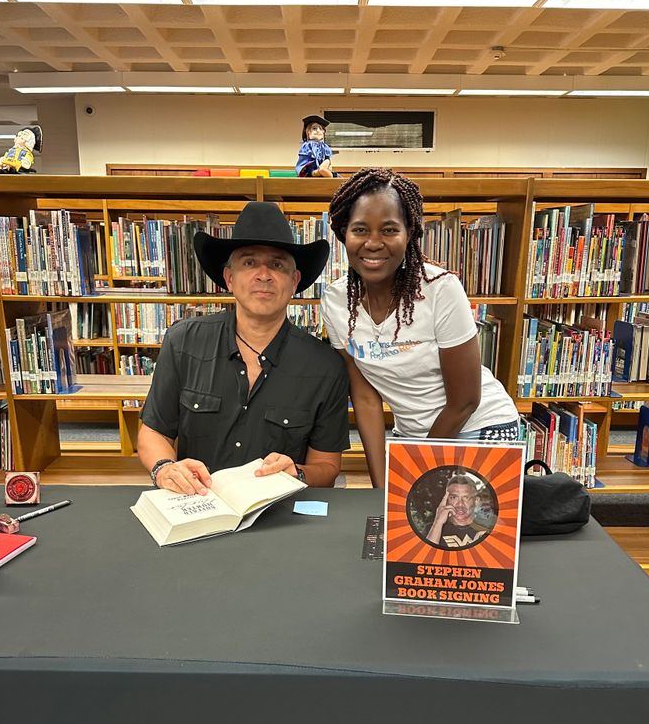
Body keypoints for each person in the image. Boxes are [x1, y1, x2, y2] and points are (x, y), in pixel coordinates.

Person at [321, 168, 519, 489]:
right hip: (411, 435)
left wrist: (418, 471)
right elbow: (366, 396)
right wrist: (380, 486)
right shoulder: (335, 301)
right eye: (360, 229)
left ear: (409, 232)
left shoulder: (441, 289)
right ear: (344, 232)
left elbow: (465, 401)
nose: (373, 243)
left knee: (456, 528)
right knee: (399, 527)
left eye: (389, 229)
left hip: (477, 425)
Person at [138, 201, 349, 494]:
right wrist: (164, 469)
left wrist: (297, 472)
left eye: (277, 264)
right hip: (198, 504)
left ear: (294, 281)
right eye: (249, 263)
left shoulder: (326, 367)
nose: (263, 274)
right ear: (229, 278)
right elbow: (153, 431)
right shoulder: (183, 342)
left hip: (279, 512)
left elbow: (327, 466)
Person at [425, 474, 491, 550]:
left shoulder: (488, 530)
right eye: (453, 497)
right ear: (446, 500)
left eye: (466, 497)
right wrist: (438, 523)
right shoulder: (432, 529)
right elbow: (425, 557)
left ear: (476, 501)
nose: (460, 504)